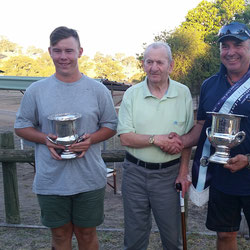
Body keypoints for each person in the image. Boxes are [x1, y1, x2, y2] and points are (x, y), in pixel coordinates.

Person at [178, 22, 250, 250]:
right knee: (224, 236)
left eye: (238, 45)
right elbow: (202, 126)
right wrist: (178, 141)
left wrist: (249, 159)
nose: (230, 52)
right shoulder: (209, 85)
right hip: (222, 177)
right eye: (225, 46)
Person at [14, 26, 118, 249]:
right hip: (51, 179)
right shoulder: (36, 90)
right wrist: (45, 139)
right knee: (60, 236)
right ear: (50, 52)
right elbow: (21, 127)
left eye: (69, 51)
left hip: (89, 177)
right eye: (58, 51)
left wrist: (92, 139)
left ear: (80, 52)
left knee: (87, 233)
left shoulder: (97, 90)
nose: (63, 57)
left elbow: (110, 125)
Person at [117, 42, 194, 250]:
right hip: (135, 175)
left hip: (169, 175)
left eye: (160, 62)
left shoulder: (183, 93)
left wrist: (183, 172)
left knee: (172, 239)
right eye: (149, 62)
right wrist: (156, 139)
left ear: (171, 65)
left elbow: (187, 139)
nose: (154, 67)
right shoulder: (132, 94)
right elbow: (125, 137)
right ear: (143, 64)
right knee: (134, 239)